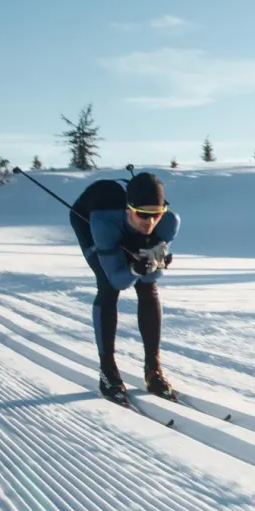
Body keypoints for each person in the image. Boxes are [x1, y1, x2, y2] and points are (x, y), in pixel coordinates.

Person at [69, 171, 181, 405]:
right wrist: (134, 269)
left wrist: (152, 262)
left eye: (156, 214)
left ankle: (153, 368)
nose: (150, 222)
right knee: (108, 288)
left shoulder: (170, 222)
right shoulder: (103, 222)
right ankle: (107, 371)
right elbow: (117, 280)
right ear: (129, 209)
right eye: (142, 214)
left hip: (121, 222)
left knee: (148, 288)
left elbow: (153, 274)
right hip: (88, 218)